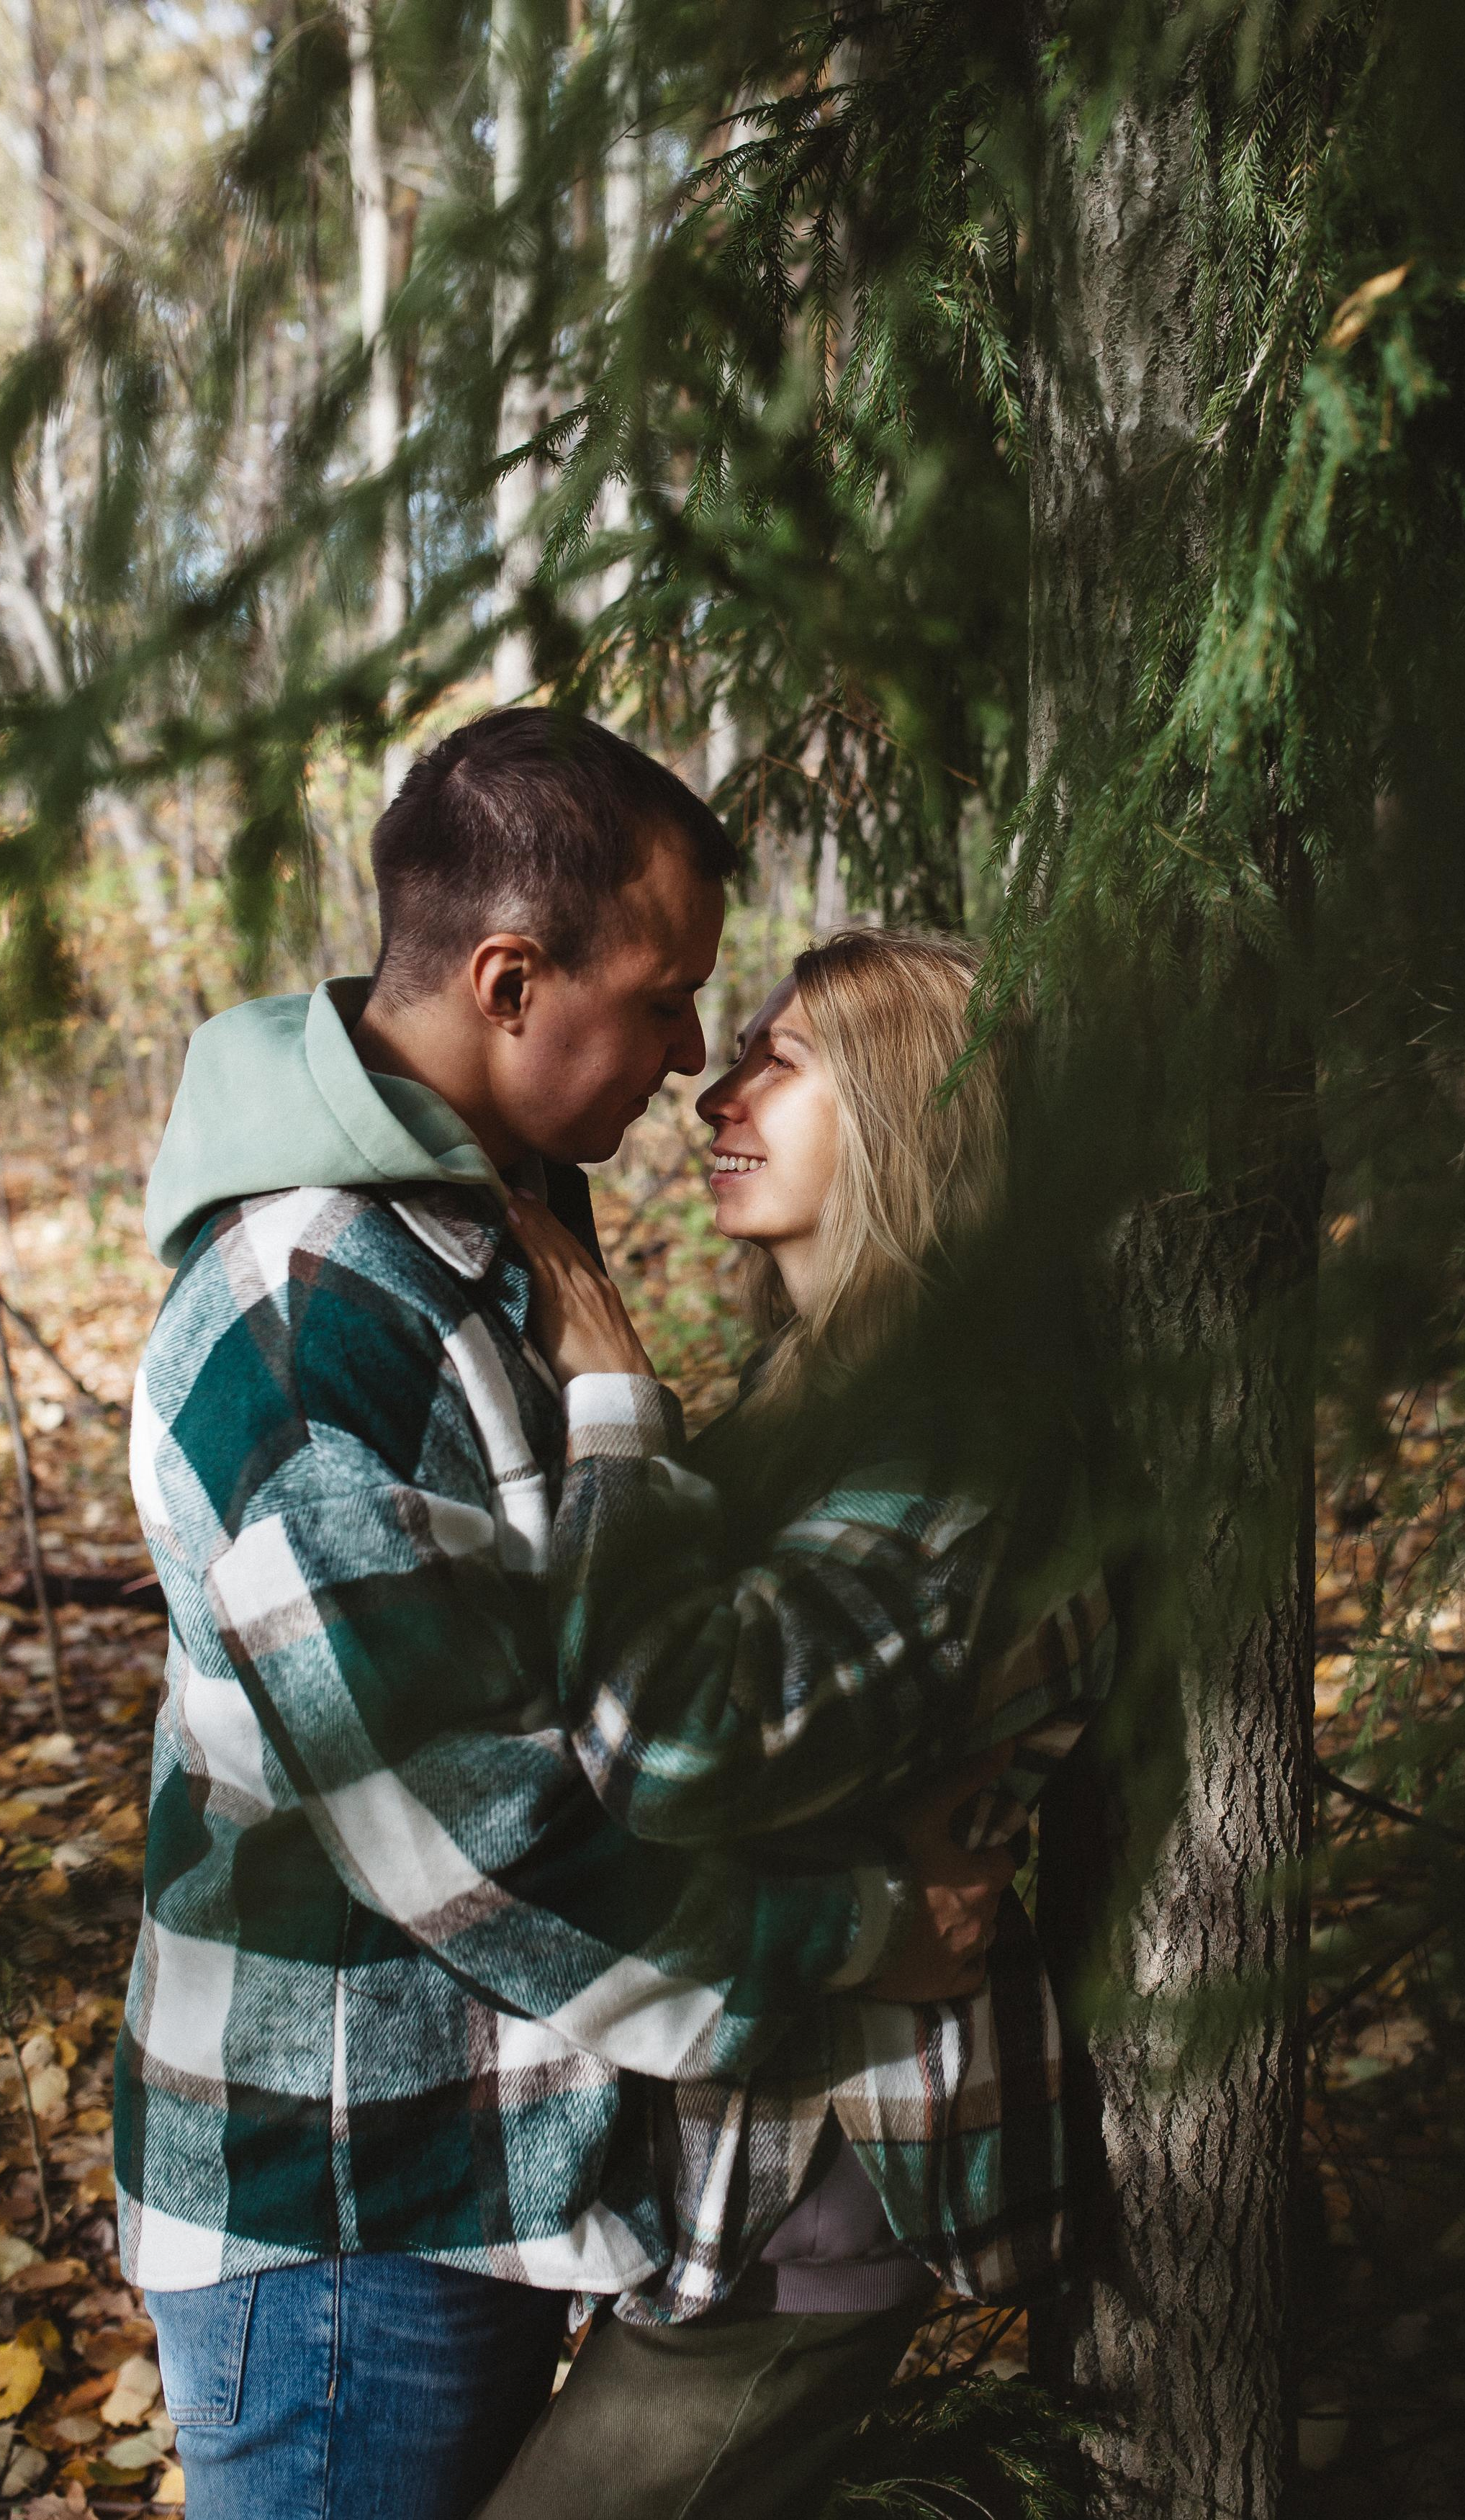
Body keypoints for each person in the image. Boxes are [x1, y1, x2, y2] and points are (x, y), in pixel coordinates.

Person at [117, 713, 1009, 2519]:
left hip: (480, 2168)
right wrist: (855, 1934)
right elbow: (476, 1837)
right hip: (348, 2216)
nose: (696, 1060)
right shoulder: (307, 1316)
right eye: (674, 997)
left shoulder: (493, 1226)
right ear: (511, 979)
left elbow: (619, 1648)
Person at [480, 929, 1114, 2520]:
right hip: (732, 2149)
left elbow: (675, 1745)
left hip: (821, 2171)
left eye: (781, 1058)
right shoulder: (813, 1392)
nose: (713, 1089)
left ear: (910, 1112)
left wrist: (615, 1405)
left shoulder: (959, 1424)